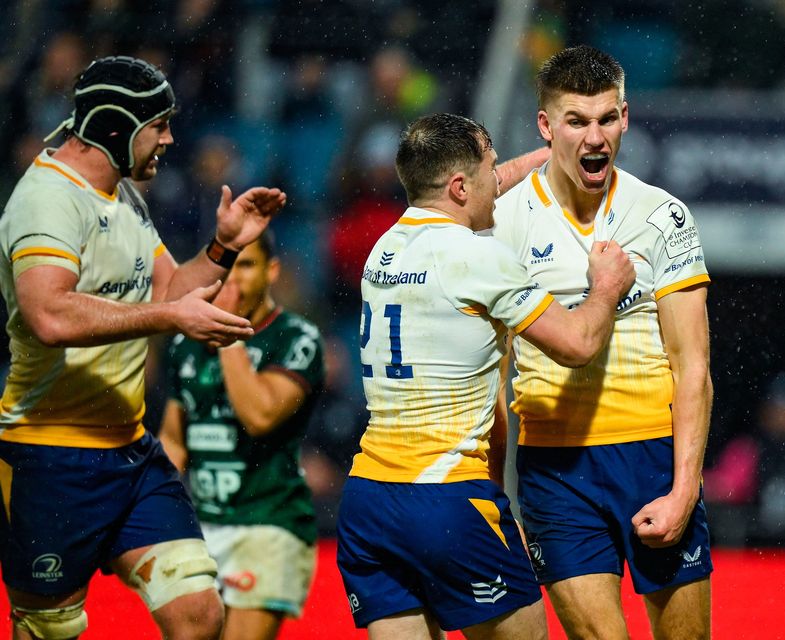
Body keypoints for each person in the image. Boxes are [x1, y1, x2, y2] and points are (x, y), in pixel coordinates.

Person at [0, 55, 286, 640]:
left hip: (130, 453)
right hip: (51, 456)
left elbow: (168, 291)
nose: (170, 138)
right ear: (116, 125)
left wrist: (223, 247)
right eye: (158, 124)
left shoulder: (123, 195)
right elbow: (49, 313)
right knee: (49, 630)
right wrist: (171, 315)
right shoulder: (47, 201)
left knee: (199, 613)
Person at [335, 113, 635, 640]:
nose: (498, 187)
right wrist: (605, 287)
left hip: (368, 502)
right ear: (457, 186)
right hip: (445, 499)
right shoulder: (478, 258)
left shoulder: (383, 251)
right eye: (490, 172)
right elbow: (579, 344)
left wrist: (544, 159)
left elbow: (471, 192)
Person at [492, 46, 713, 639]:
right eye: (576, 121)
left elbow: (692, 366)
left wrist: (683, 490)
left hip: (652, 459)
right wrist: (489, 489)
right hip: (555, 472)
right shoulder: (505, 222)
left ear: (625, 117)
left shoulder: (662, 215)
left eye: (607, 118)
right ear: (545, 126)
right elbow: (492, 374)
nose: (596, 137)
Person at [158, 232, 324, 640]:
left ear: (271, 271)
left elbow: (259, 414)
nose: (232, 279)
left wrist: (227, 331)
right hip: (200, 526)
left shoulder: (297, 339)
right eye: (227, 265)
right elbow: (174, 440)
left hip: (268, 522)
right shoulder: (185, 343)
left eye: (246, 265)